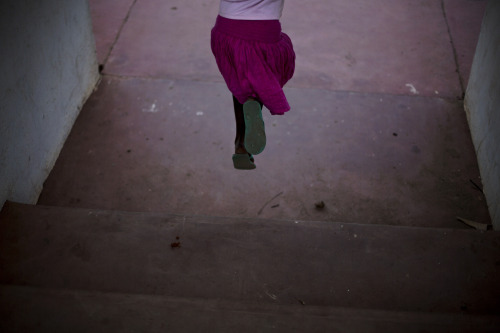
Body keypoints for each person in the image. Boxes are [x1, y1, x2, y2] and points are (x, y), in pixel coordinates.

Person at [211, 0, 295, 170]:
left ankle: (240, 144)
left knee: (240, 79)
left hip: (225, 31)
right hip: (263, 32)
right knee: (267, 70)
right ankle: (255, 101)